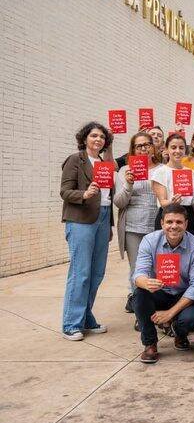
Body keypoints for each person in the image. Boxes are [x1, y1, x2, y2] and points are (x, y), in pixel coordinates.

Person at [60, 122, 114, 341]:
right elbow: (64, 191)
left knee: (97, 272)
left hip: (102, 218)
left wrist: (109, 224)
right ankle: (71, 323)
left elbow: (108, 197)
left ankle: (85, 317)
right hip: (81, 219)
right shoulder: (76, 160)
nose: (98, 140)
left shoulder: (104, 163)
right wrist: (84, 194)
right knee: (80, 272)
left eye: (101, 137)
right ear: (84, 139)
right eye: (93, 136)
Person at [132, 204, 194, 363]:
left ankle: (180, 333)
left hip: (184, 295)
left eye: (179, 222)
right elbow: (138, 274)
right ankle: (150, 343)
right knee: (138, 295)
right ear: (162, 224)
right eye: (169, 222)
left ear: (186, 224)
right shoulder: (150, 240)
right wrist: (146, 283)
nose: (174, 226)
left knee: (192, 319)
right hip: (159, 290)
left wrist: (170, 314)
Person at [115, 132, 162, 315]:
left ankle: (157, 308)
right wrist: (128, 183)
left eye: (147, 144)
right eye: (139, 146)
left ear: (153, 147)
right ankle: (141, 314)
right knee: (138, 270)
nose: (143, 148)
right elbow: (119, 202)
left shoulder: (162, 169)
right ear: (132, 150)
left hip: (157, 227)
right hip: (133, 228)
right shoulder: (124, 170)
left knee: (158, 269)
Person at [152, 133, 194, 238]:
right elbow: (162, 202)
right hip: (168, 217)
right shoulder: (160, 172)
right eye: (173, 147)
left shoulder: (192, 173)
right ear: (166, 149)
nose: (177, 151)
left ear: (185, 150)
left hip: (189, 218)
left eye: (181, 148)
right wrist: (172, 202)